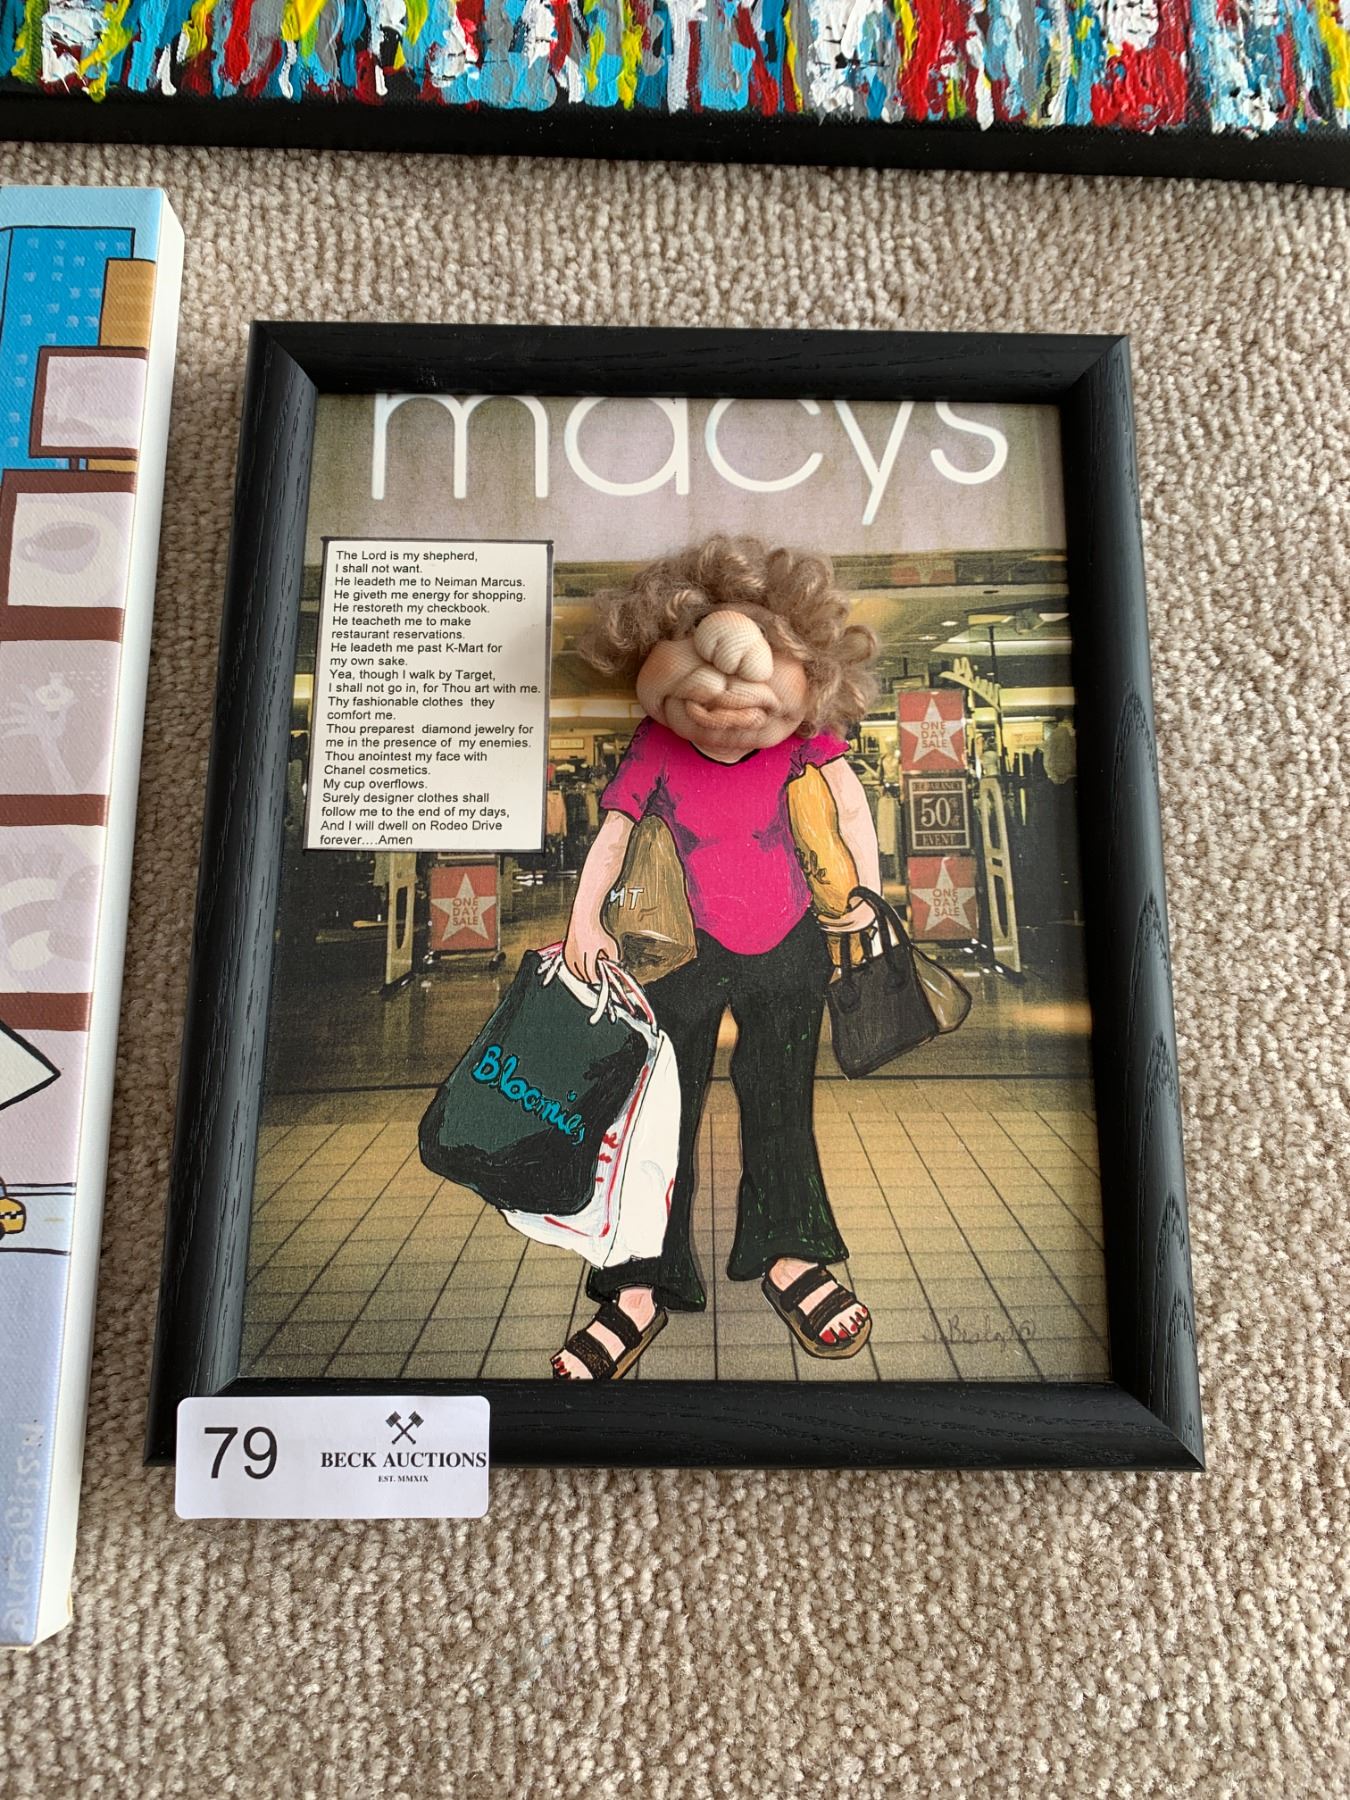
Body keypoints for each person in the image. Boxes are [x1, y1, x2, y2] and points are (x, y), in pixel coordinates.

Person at [553, 535, 884, 1381]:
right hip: (680, 954)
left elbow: (850, 810)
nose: (729, 690)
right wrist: (584, 921)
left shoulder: (808, 741)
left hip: (790, 945)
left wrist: (869, 899)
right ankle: (636, 1288)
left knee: (781, 1104)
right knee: (654, 1119)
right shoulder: (655, 745)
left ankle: (791, 1257)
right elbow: (615, 832)